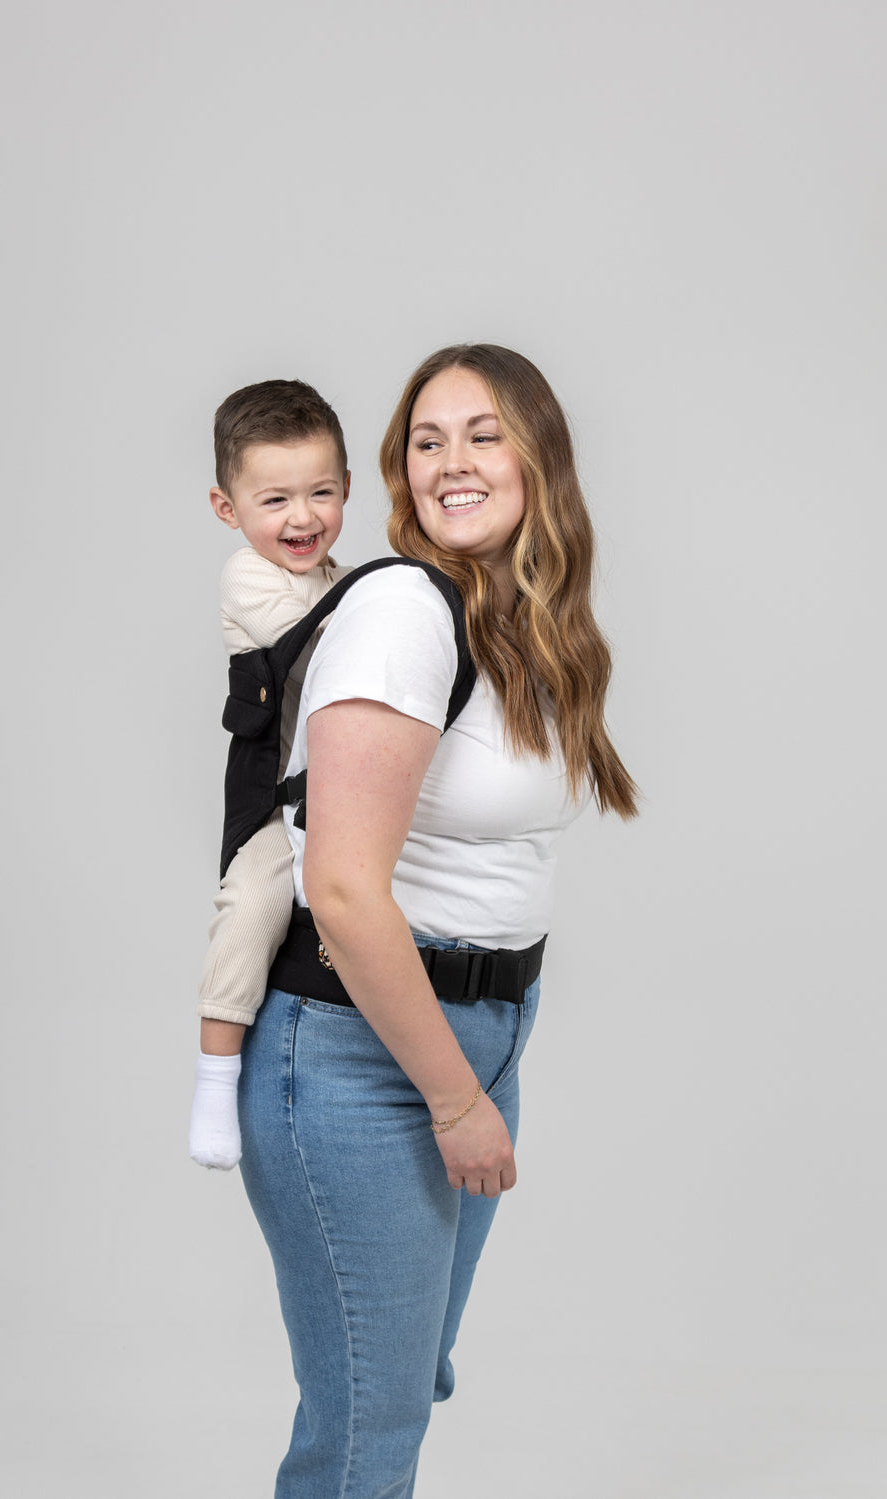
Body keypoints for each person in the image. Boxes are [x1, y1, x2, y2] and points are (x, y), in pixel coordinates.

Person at [235, 344, 639, 1498]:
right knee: (368, 1428)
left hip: (475, 1033)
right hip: (364, 1054)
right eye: (426, 440)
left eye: (481, 433)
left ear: (538, 455)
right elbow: (344, 890)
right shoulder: (404, 613)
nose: (450, 461)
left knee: (403, 1387)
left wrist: (484, 1064)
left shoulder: (524, 626)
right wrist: (456, 1098)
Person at [189, 378, 351, 1171]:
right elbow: (328, 647)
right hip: (277, 795)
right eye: (275, 499)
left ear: (347, 487)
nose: (302, 517)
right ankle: (215, 1078)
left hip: (342, 791)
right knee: (253, 901)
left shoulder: (345, 579)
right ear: (228, 508)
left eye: (320, 492)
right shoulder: (249, 576)